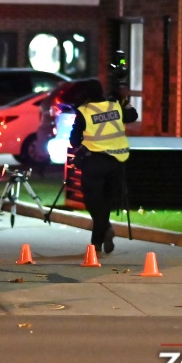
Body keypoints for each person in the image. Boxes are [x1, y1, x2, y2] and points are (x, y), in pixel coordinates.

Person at [69, 78, 138, 257]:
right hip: (116, 162)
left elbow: (74, 140)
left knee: (92, 201)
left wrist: (83, 144)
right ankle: (97, 242)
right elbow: (133, 115)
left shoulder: (84, 111)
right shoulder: (115, 106)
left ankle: (104, 231)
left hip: (95, 162)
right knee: (106, 202)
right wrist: (124, 100)